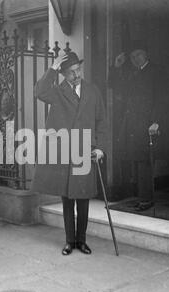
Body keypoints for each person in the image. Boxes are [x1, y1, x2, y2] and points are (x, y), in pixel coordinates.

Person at [32, 52, 106, 255]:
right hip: (65, 150)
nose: (76, 75)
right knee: (67, 198)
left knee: (83, 198)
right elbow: (39, 92)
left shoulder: (92, 91)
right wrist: (52, 69)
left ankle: (81, 241)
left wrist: (100, 147)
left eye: (78, 70)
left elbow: (102, 121)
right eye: (71, 72)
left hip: (85, 151)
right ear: (63, 74)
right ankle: (69, 241)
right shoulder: (57, 91)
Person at [108, 42, 164, 211]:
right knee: (137, 159)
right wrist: (116, 67)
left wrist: (156, 121)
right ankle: (142, 197)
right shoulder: (134, 73)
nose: (135, 59)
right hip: (133, 123)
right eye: (132, 57)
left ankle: (147, 199)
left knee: (144, 161)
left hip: (148, 123)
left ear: (145, 54)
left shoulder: (155, 71)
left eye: (138, 55)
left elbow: (160, 97)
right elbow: (115, 86)